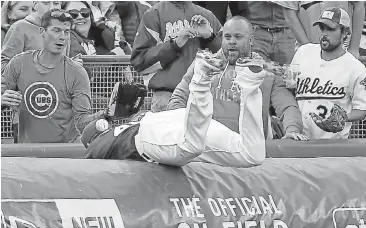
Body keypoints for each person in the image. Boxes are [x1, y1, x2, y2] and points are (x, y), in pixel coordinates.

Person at [82, 48, 267, 168]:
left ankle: (201, 78)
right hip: (174, 119)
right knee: (252, 155)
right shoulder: (113, 131)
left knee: (191, 146)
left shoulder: (96, 147)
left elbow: (87, 158)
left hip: (145, 136)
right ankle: (250, 83)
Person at [168, 16, 308, 141]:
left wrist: (292, 130)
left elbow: (287, 106)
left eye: (238, 37)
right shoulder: (203, 65)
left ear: (251, 40)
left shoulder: (265, 72)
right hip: (205, 147)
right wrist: (177, 128)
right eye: (227, 37)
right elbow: (179, 98)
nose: (232, 42)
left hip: (249, 153)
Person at [1, 9, 105, 143]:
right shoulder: (19, 63)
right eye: (56, 30)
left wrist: (106, 114)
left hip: (62, 155)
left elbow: (82, 122)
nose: (62, 37)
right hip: (27, 153)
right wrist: (2, 100)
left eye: (66, 32)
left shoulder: (77, 73)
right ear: (42, 32)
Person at [131, 1, 222, 112]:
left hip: (204, 96)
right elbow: (139, 61)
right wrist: (174, 45)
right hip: (166, 96)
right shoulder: (154, 14)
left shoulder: (207, 16)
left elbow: (228, 59)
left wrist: (210, 38)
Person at [291, 7, 366, 139]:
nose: (324, 33)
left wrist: (343, 118)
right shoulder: (303, 52)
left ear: (345, 33)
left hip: (333, 146)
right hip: (299, 140)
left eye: (331, 29)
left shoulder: (356, 68)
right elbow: (289, 88)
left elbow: (361, 109)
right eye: (322, 28)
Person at [279, 1, 365, 58]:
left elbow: (359, 5)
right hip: (307, 48)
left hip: (343, 49)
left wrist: (354, 48)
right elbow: (290, 14)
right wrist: (308, 48)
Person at [1, 1, 62, 73]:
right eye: (45, 3)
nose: (52, 8)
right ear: (35, 5)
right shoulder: (20, 27)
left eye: (56, 3)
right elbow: (4, 65)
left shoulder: (64, 29)